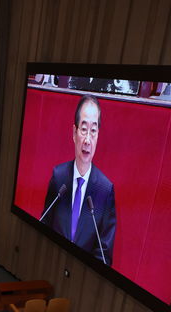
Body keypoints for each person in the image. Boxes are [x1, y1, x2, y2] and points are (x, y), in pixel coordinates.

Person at [41, 94, 116, 265]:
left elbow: (104, 253)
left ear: (98, 136)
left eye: (93, 130)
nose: (88, 140)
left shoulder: (105, 190)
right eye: (83, 129)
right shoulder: (59, 177)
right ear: (74, 133)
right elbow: (44, 225)